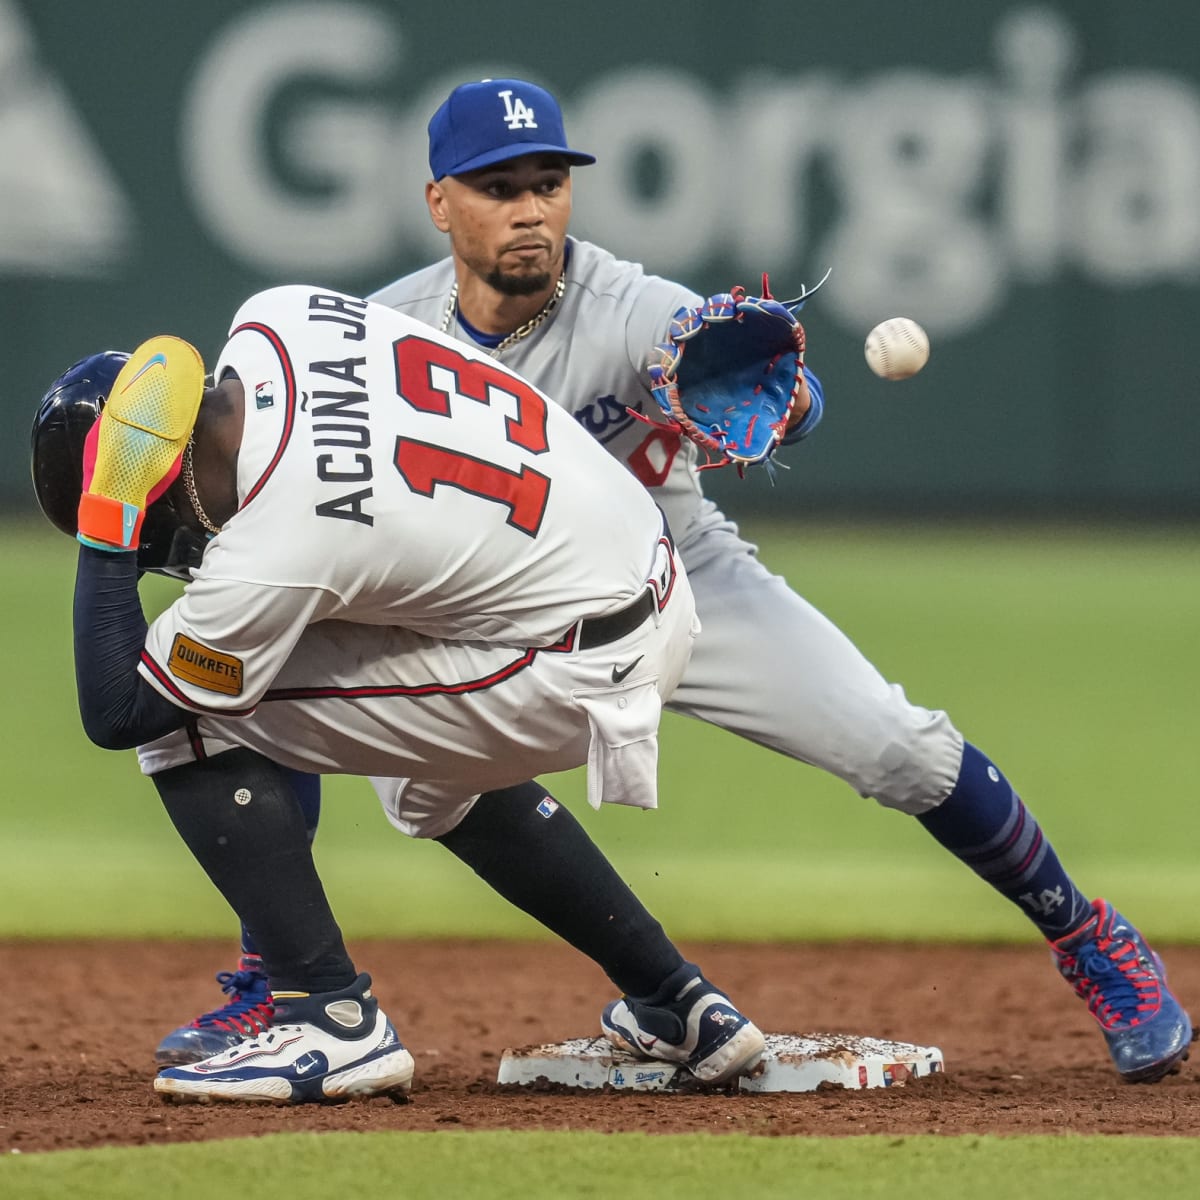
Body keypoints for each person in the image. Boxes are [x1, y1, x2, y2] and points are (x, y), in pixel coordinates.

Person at [161, 77, 1192, 1086]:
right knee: (281, 680)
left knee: (897, 744)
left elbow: (772, 381)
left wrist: (778, 403)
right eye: (497, 186)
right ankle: (285, 973)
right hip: (489, 613)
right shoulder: (383, 330)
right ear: (439, 201)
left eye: (547, 182)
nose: (529, 208)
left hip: (679, 577)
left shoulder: (626, 305)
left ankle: (1090, 937)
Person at [32, 289, 770, 1102]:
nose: (171, 551)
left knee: (184, 715)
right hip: (640, 566)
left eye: (155, 530)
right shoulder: (278, 314)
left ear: (162, 484)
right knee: (425, 764)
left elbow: (116, 710)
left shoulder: (280, 538)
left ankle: (330, 1019)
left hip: (577, 657)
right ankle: (681, 1005)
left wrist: (110, 520)